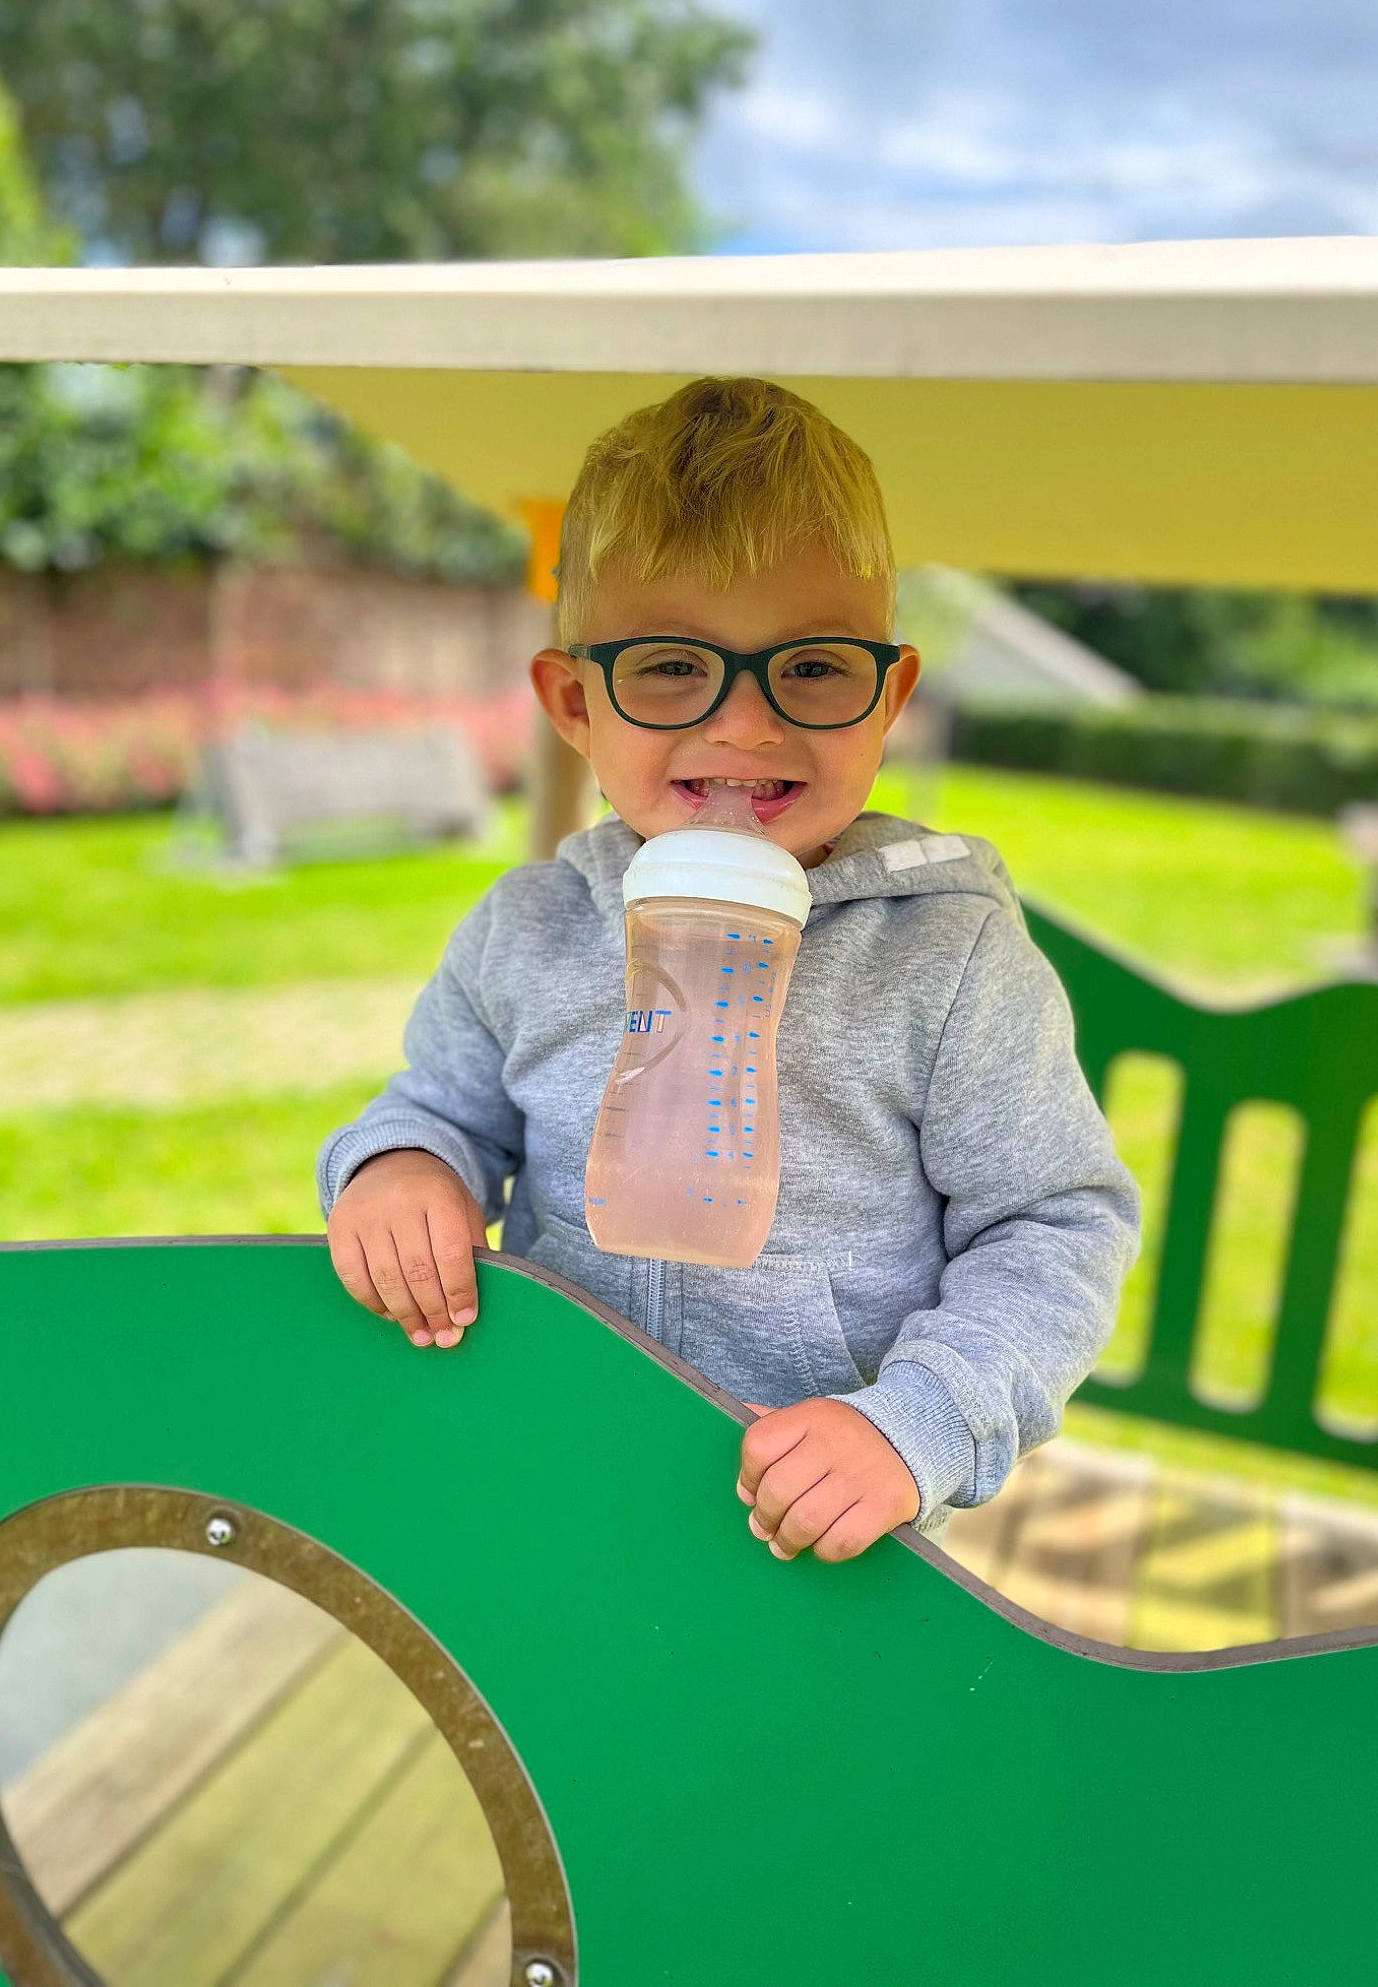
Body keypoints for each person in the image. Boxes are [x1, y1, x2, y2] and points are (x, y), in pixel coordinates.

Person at [317, 376, 1140, 1561]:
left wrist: (916, 1425)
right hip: (562, 1466)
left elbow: (1056, 1224)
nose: (744, 724)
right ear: (572, 700)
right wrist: (400, 1166)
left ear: (890, 695)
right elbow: (439, 1107)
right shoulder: (530, 929)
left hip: (827, 1534)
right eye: (666, 666)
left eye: (810, 667)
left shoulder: (947, 959)